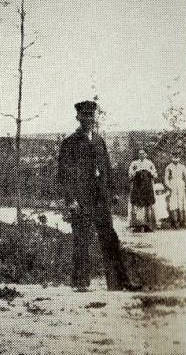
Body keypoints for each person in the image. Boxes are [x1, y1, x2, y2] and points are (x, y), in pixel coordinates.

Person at [57, 100, 138, 292]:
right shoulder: (70, 143)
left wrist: (113, 192)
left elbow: (107, 169)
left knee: (109, 238)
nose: (88, 119)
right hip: (82, 199)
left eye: (91, 115)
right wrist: (71, 200)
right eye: (84, 115)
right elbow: (64, 174)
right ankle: (80, 283)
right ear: (78, 117)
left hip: (101, 198)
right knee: (82, 239)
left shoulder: (99, 141)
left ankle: (117, 283)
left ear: (95, 118)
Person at [128, 149, 158, 231]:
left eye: (143, 153)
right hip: (137, 186)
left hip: (147, 187)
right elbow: (130, 175)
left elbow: (155, 175)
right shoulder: (134, 163)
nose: (141, 155)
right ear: (138, 155)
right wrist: (136, 172)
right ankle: (138, 225)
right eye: (140, 153)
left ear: (146, 154)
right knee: (138, 205)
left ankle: (147, 225)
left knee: (148, 205)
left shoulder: (150, 163)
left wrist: (150, 172)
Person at [164, 151, 186, 228]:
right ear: (171, 157)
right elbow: (166, 178)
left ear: (179, 158)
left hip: (181, 184)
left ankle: (182, 221)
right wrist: (169, 186)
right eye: (174, 156)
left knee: (181, 202)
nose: (175, 158)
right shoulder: (169, 167)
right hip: (173, 185)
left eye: (177, 156)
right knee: (173, 203)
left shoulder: (182, 167)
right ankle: (174, 221)